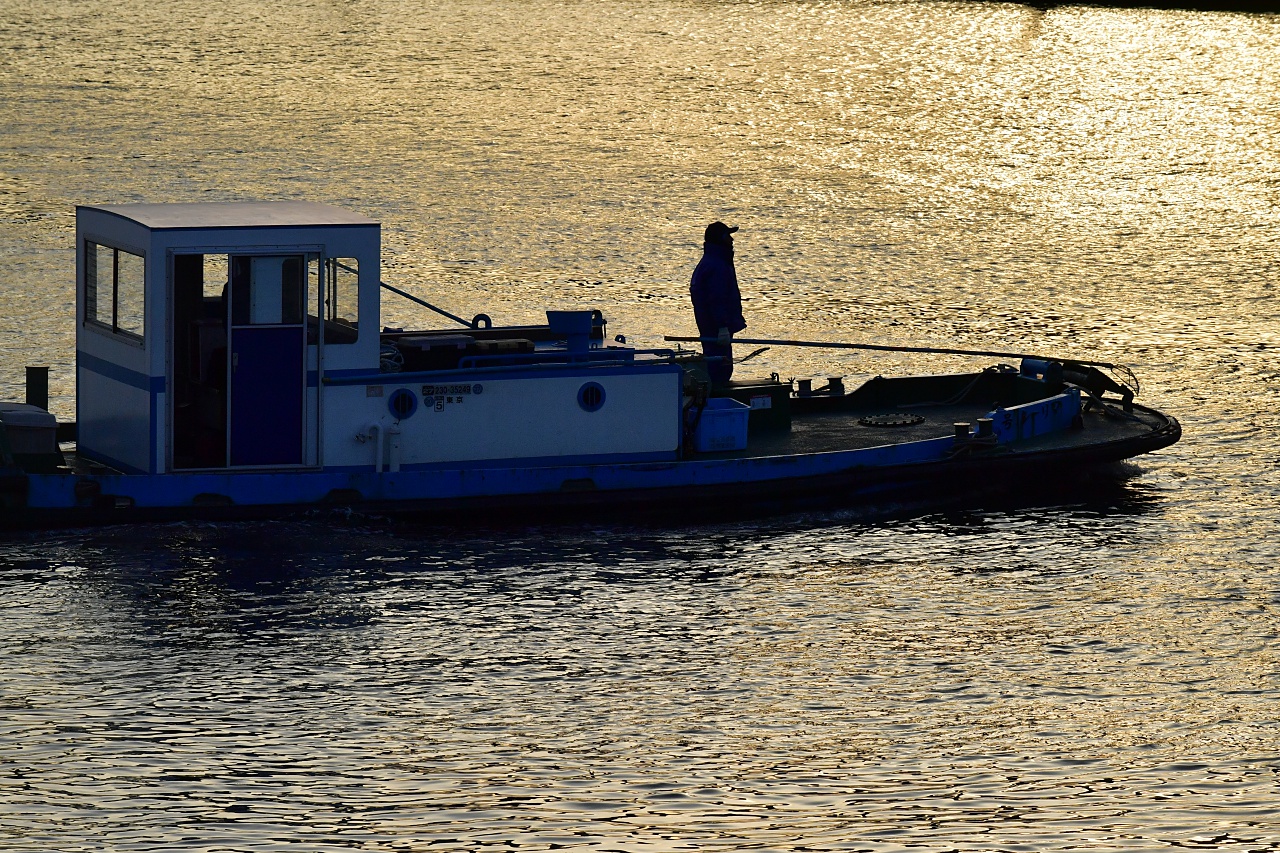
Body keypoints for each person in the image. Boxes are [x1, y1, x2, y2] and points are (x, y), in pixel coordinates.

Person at [689, 221, 746, 384]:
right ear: (720, 239)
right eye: (728, 236)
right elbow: (717, 298)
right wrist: (722, 327)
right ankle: (715, 392)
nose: (731, 240)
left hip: (711, 327)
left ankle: (713, 389)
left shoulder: (711, 262)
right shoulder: (717, 266)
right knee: (719, 367)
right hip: (716, 328)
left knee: (716, 363)